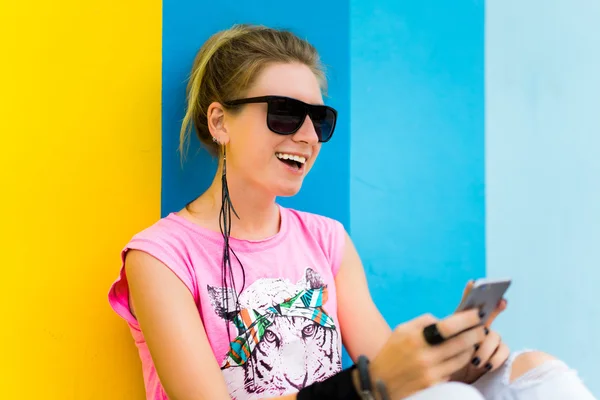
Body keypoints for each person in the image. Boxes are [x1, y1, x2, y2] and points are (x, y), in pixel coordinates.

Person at [108, 24, 596, 400]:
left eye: (318, 120)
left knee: (535, 372)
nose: (305, 135)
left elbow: (387, 370)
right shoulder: (160, 257)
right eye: (283, 113)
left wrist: (453, 356)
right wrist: (368, 386)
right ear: (220, 122)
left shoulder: (326, 240)